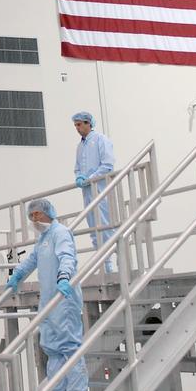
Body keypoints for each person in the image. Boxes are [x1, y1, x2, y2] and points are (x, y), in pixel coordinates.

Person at [5, 198, 88, 391]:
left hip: (63, 298)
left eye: (37, 214)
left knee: (69, 345)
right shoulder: (43, 238)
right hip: (48, 299)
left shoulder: (60, 233)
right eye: (31, 216)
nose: (34, 218)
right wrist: (17, 276)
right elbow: (32, 260)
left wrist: (63, 278)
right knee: (51, 346)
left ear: (49, 212)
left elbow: (67, 257)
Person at [72, 111, 117, 273]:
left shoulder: (100, 140)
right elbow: (77, 168)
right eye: (75, 125)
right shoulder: (80, 146)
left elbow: (108, 164)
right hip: (87, 191)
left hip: (101, 188)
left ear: (88, 123)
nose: (77, 128)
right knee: (93, 225)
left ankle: (117, 258)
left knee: (106, 222)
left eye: (79, 124)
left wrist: (91, 178)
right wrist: (79, 177)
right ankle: (104, 265)